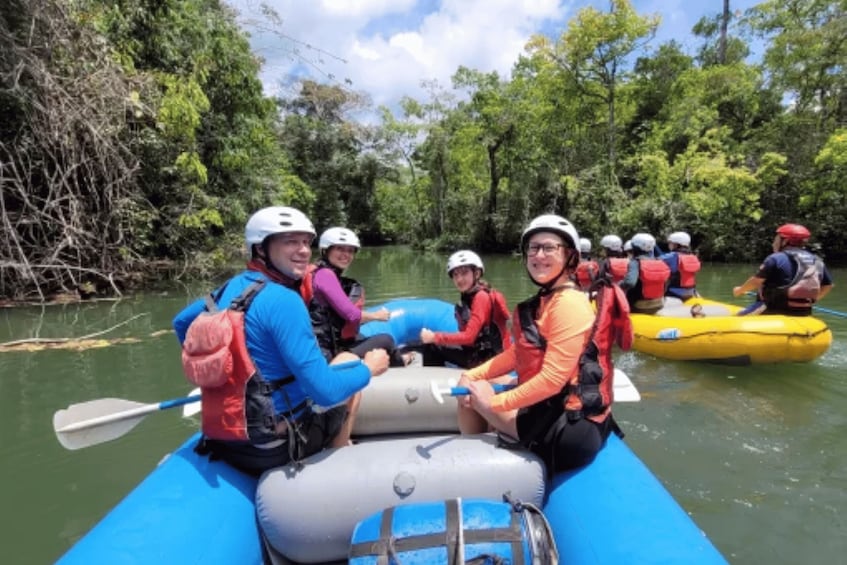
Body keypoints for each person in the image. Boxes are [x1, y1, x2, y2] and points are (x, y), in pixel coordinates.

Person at [174, 206, 390, 476]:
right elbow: (326, 392)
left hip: (222, 439)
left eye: (306, 242)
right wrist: (369, 368)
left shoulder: (229, 288)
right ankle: (340, 453)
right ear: (261, 249)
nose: (303, 251)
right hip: (272, 446)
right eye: (290, 241)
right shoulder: (284, 301)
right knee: (349, 364)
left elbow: (182, 323)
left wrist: (223, 368)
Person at [456, 214, 630, 474]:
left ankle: (470, 467)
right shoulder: (548, 299)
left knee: (473, 394)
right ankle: (489, 438)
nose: (539, 255)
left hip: (568, 430)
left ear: (570, 255)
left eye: (549, 247)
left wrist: (493, 403)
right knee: (474, 382)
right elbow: (519, 353)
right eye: (533, 248)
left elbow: (551, 380)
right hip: (558, 409)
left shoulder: (568, 304)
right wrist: (472, 373)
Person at [300, 227, 413, 366]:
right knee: (386, 340)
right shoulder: (325, 275)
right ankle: (401, 363)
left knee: (359, 337)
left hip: (323, 345)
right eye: (340, 249)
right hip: (326, 352)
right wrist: (378, 316)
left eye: (350, 250)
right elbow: (351, 315)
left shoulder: (319, 272)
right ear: (326, 250)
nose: (346, 254)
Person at [419, 250, 511, 369]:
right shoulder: (471, 295)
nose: (459, 279)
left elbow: (469, 337)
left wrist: (434, 337)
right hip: (482, 353)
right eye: (455, 275)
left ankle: (433, 382)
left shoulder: (481, 297)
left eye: (464, 273)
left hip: (486, 360)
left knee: (432, 345)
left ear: (476, 273)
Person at [733, 224, 834, 316]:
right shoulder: (817, 260)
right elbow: (828, 286)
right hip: (804, 312)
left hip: (772, 309)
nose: (774, 243)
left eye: (776, 239)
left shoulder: (776, 258)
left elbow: (756, 281)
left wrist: (740, 290)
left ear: (785, 241)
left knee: (736, 320)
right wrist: (812, 300)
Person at [619, 233, 670, 314]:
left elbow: (630, 283)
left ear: (635, 247)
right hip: (659, 304)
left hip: (638, 305)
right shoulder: (660, 262)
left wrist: (619, 285)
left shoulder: (635, 263)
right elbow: (666, 284)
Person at [660, 231, 701, 301]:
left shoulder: (672, 256)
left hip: (674, 292)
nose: (669, 245)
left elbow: (654, 261)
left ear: (676, 244)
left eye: (670, 243)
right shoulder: (693, 256)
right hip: (691, 291)